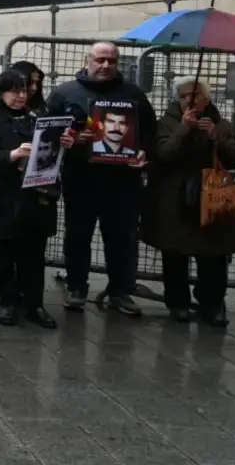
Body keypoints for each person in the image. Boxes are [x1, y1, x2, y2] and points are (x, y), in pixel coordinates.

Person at [46, 41, 156, 315]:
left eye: (111, 60)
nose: (106, 65)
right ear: (87, 60)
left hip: (123, 183)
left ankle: (120, 292)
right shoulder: (64, 93)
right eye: (100, 60)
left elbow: (151, 132)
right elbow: (47, 132)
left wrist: (144, 152)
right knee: (77, 236)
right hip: (80, 179)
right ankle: (76, 288)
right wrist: (69, 139)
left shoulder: (134, 94)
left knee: (122, 239)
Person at [143, 76, 235, 328]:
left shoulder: (220, 124)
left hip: (212, 195)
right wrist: (183, 129)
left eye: (195, 95)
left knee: (214, 254)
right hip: (175, 198)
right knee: (175, 252)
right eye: (183, 96)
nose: (189, 100)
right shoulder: (167, 123)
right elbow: (164, 154)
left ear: (206, 99)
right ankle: (177, 302)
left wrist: (215, 138)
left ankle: (211, 303)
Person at [0, 70, 73, 329]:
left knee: (33, 254)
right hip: (4, 197)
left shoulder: (39, 119)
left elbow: (53, 152)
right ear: (2, 92)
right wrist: (13, 154)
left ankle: (35, 304)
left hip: (36, 197)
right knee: (4, 253)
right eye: (14, 91)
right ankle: (9, 302)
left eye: (24, 91)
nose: (20, 96)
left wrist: (64, 142)